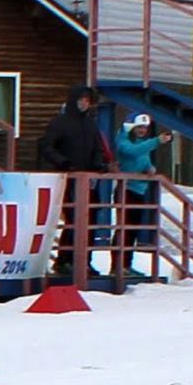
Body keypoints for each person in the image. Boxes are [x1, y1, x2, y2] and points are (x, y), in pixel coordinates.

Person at [37, 85, 115, 276]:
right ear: (73, 100)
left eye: (87, 100)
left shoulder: (90, 123)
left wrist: (98, 165)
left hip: (89, 180)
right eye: (81, 99)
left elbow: (98, 148)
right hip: (69, 178)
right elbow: (46, 146)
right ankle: (64, 260)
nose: (84, 103)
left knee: (91, 220)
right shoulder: (60, 122)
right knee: (73, 219)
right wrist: (63, 162)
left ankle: (85, 261)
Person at [111, 113, 172, 276]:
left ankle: (126, 264)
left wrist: (149, 168)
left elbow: (141, 159)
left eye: (145, 128)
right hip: (126, 190)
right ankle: (117, 265)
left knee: (132, 231)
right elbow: (132, 152)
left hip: (138, 190)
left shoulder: (141, 144)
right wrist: (156, 141)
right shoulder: (123, 140)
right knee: (124, 229)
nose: (142, 130)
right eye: (139, 127)